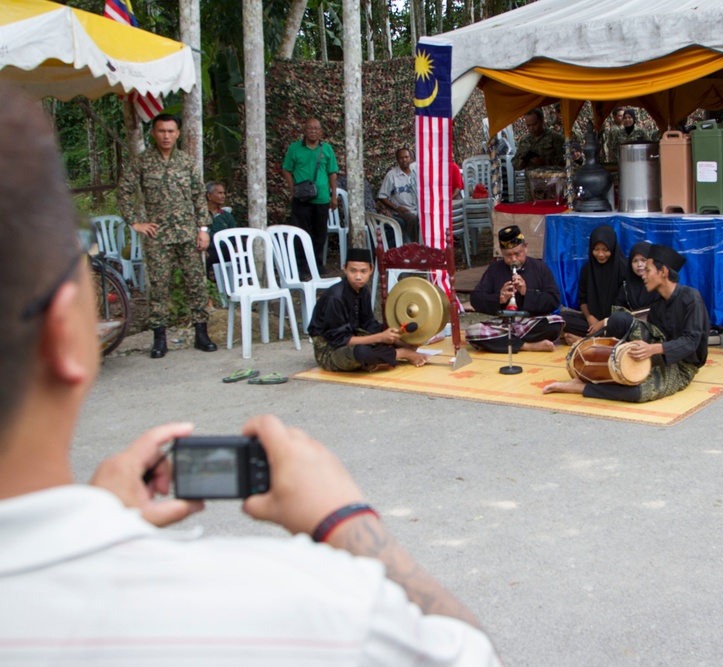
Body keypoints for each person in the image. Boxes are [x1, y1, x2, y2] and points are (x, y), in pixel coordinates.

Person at [0, 85, 499, 665]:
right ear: (68, 334)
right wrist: (345, 521)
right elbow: (469, 653)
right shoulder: (288, 600)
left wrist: (95, 523)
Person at [544, 244, 709, 402]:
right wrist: (636, 347)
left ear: (663, 272)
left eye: (648, 270)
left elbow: (691, 342)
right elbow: (652, 333)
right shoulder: (658, 304)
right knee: (619, 319)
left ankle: (582, 388)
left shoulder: (691, 297)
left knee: (639, 392)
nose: (643, 275)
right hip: (658, 354)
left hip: (682, 366)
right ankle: (590, 362)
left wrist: (652, 349)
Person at [119, 112, 218, 359]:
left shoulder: (186, 162)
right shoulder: (143, 162)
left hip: (187, 233)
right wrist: (135, 223)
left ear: (178, 134)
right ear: (153, 133)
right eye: (162, 131)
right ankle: (159, 339)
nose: (166, 136)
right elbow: (124, 190)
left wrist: (203, 229)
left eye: (171, 131)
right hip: (158, 236)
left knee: (196, 284)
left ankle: (201, 334)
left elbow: (198, 195)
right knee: (159, 288)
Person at [308, 248, 429, 371]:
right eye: (353, 271)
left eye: (363, 271)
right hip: (330, 349)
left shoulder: (363, 290)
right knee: (361, 353)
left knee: (383, 338)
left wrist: (398, 340)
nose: (358, 277)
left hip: (354, 336)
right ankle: (402, 354)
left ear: (371, 270)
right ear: (345, 268)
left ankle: (387, 355)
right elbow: (340, 340)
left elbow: (369, 325)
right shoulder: (335, 297)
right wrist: (381, 337)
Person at [466, 225, 565, 353]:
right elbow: (476, 298)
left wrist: (526, 293)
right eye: (508, 255)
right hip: (504, 324)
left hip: (531, 323)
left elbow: (554, 300)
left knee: (555, 323)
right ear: (501, 252)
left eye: (518, 253)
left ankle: (505, 343)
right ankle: (526, 346)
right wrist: (499, 299)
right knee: (472, 331)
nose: (513, 259)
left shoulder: (540, 267)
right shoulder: (494, 269)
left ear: (526, 247)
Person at [282, 118, 339, 278]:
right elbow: (286, 169)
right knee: (299, 234)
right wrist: (292, 189)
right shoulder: (294, 148)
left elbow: (332, 173)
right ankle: (301, 267)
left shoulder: (327, 149)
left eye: (316, 128)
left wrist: (333, 195)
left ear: (321, 131)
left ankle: (317, 265)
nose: (313, 131)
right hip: (301, 199)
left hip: (322, 198)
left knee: (320, 234)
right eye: (310, 128)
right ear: (304, 130)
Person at [562, 225, 629, 341]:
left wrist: (604, 322)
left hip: (613, 322)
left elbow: (623, 307)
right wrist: (589, 317)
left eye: (605, 250)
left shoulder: (623, 269)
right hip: (591, 323)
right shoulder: (587, 269)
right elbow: (583, 299)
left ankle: (582, 340)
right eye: (596, 249)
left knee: (624, 327)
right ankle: (597, 338)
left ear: (612, 248)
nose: (600, 254)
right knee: (562, 319)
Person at [377, 147, 420, 243]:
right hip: (402, 212)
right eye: (401, 158)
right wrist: (396, 208)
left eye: (406, 157)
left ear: (410, 158)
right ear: (397, 160)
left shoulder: (417, 173)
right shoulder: (392, 175)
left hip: (418, 208)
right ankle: (415, 245)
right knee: (412, 218)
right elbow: (382, 196)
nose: (404, 160)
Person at [204, 181, 237, 284]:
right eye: (219, 193)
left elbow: (234, 235)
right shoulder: (202, 215)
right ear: (209, 196)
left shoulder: (226, 215)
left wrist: (236, 247)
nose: (223, 196)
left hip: (225, 249)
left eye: (224, 193)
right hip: (209, 249)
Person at [616, 241, 659, 312]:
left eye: (643, 260)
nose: (639, 264)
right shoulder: (625, 287)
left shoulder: (659, 285)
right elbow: (618, 311)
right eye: (635, 261)